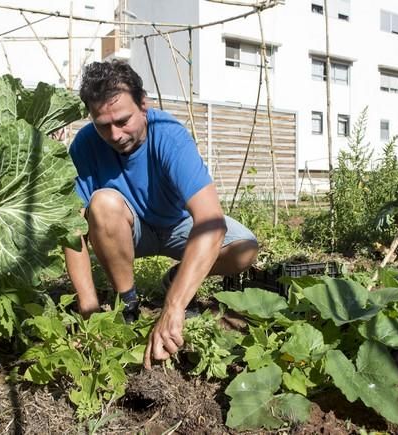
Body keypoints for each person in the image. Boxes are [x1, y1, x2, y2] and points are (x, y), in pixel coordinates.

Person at [64, 60, 258, 369]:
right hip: (127, 230)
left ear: (144, 104)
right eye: (103, 125)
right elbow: (71, 229)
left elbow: (211, 220)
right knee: (102, 204)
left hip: (177, 223)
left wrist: (174, 306)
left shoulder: (169, 136)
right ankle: (126, 303)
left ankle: (176, 281)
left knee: (245, 248)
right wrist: (88, 307)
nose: (115, 134)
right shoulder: (86, 144)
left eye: (123, 121)